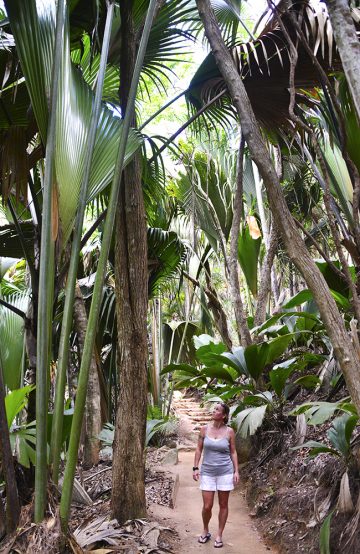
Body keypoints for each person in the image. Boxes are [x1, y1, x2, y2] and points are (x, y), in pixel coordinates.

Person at [192, 402, 239, 549]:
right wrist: (195, 467)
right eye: (214, 408)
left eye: (217, 409)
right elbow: (199, 449)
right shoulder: (204, 429)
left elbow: (233, 452)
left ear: (224, 415)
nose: (214, 410)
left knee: (223, 504)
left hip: (225, 472)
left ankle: (219, 535)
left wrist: (236, 471)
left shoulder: (229, 432)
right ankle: (206, 530)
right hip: (208, 472)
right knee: (207, 506)